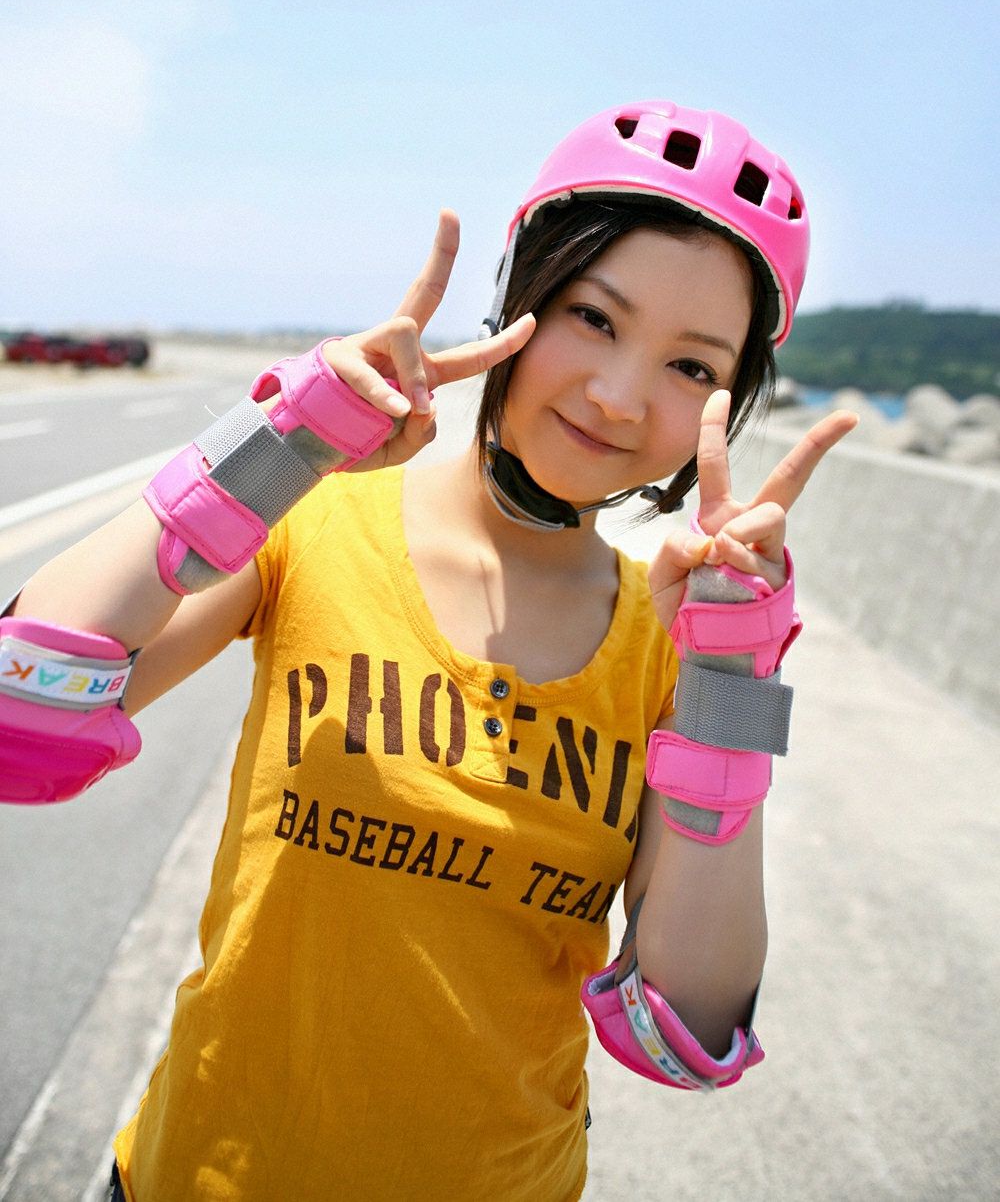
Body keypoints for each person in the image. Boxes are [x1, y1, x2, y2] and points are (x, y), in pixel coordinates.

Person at [0, 100, 856, 1202]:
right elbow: (26, 710)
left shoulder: (669, 655)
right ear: (520, 295)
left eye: (691, 368)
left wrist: (732, 687)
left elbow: (685, 1029)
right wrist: (278, 447)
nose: (619, 396)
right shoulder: (317, 522)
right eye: (593, 317)